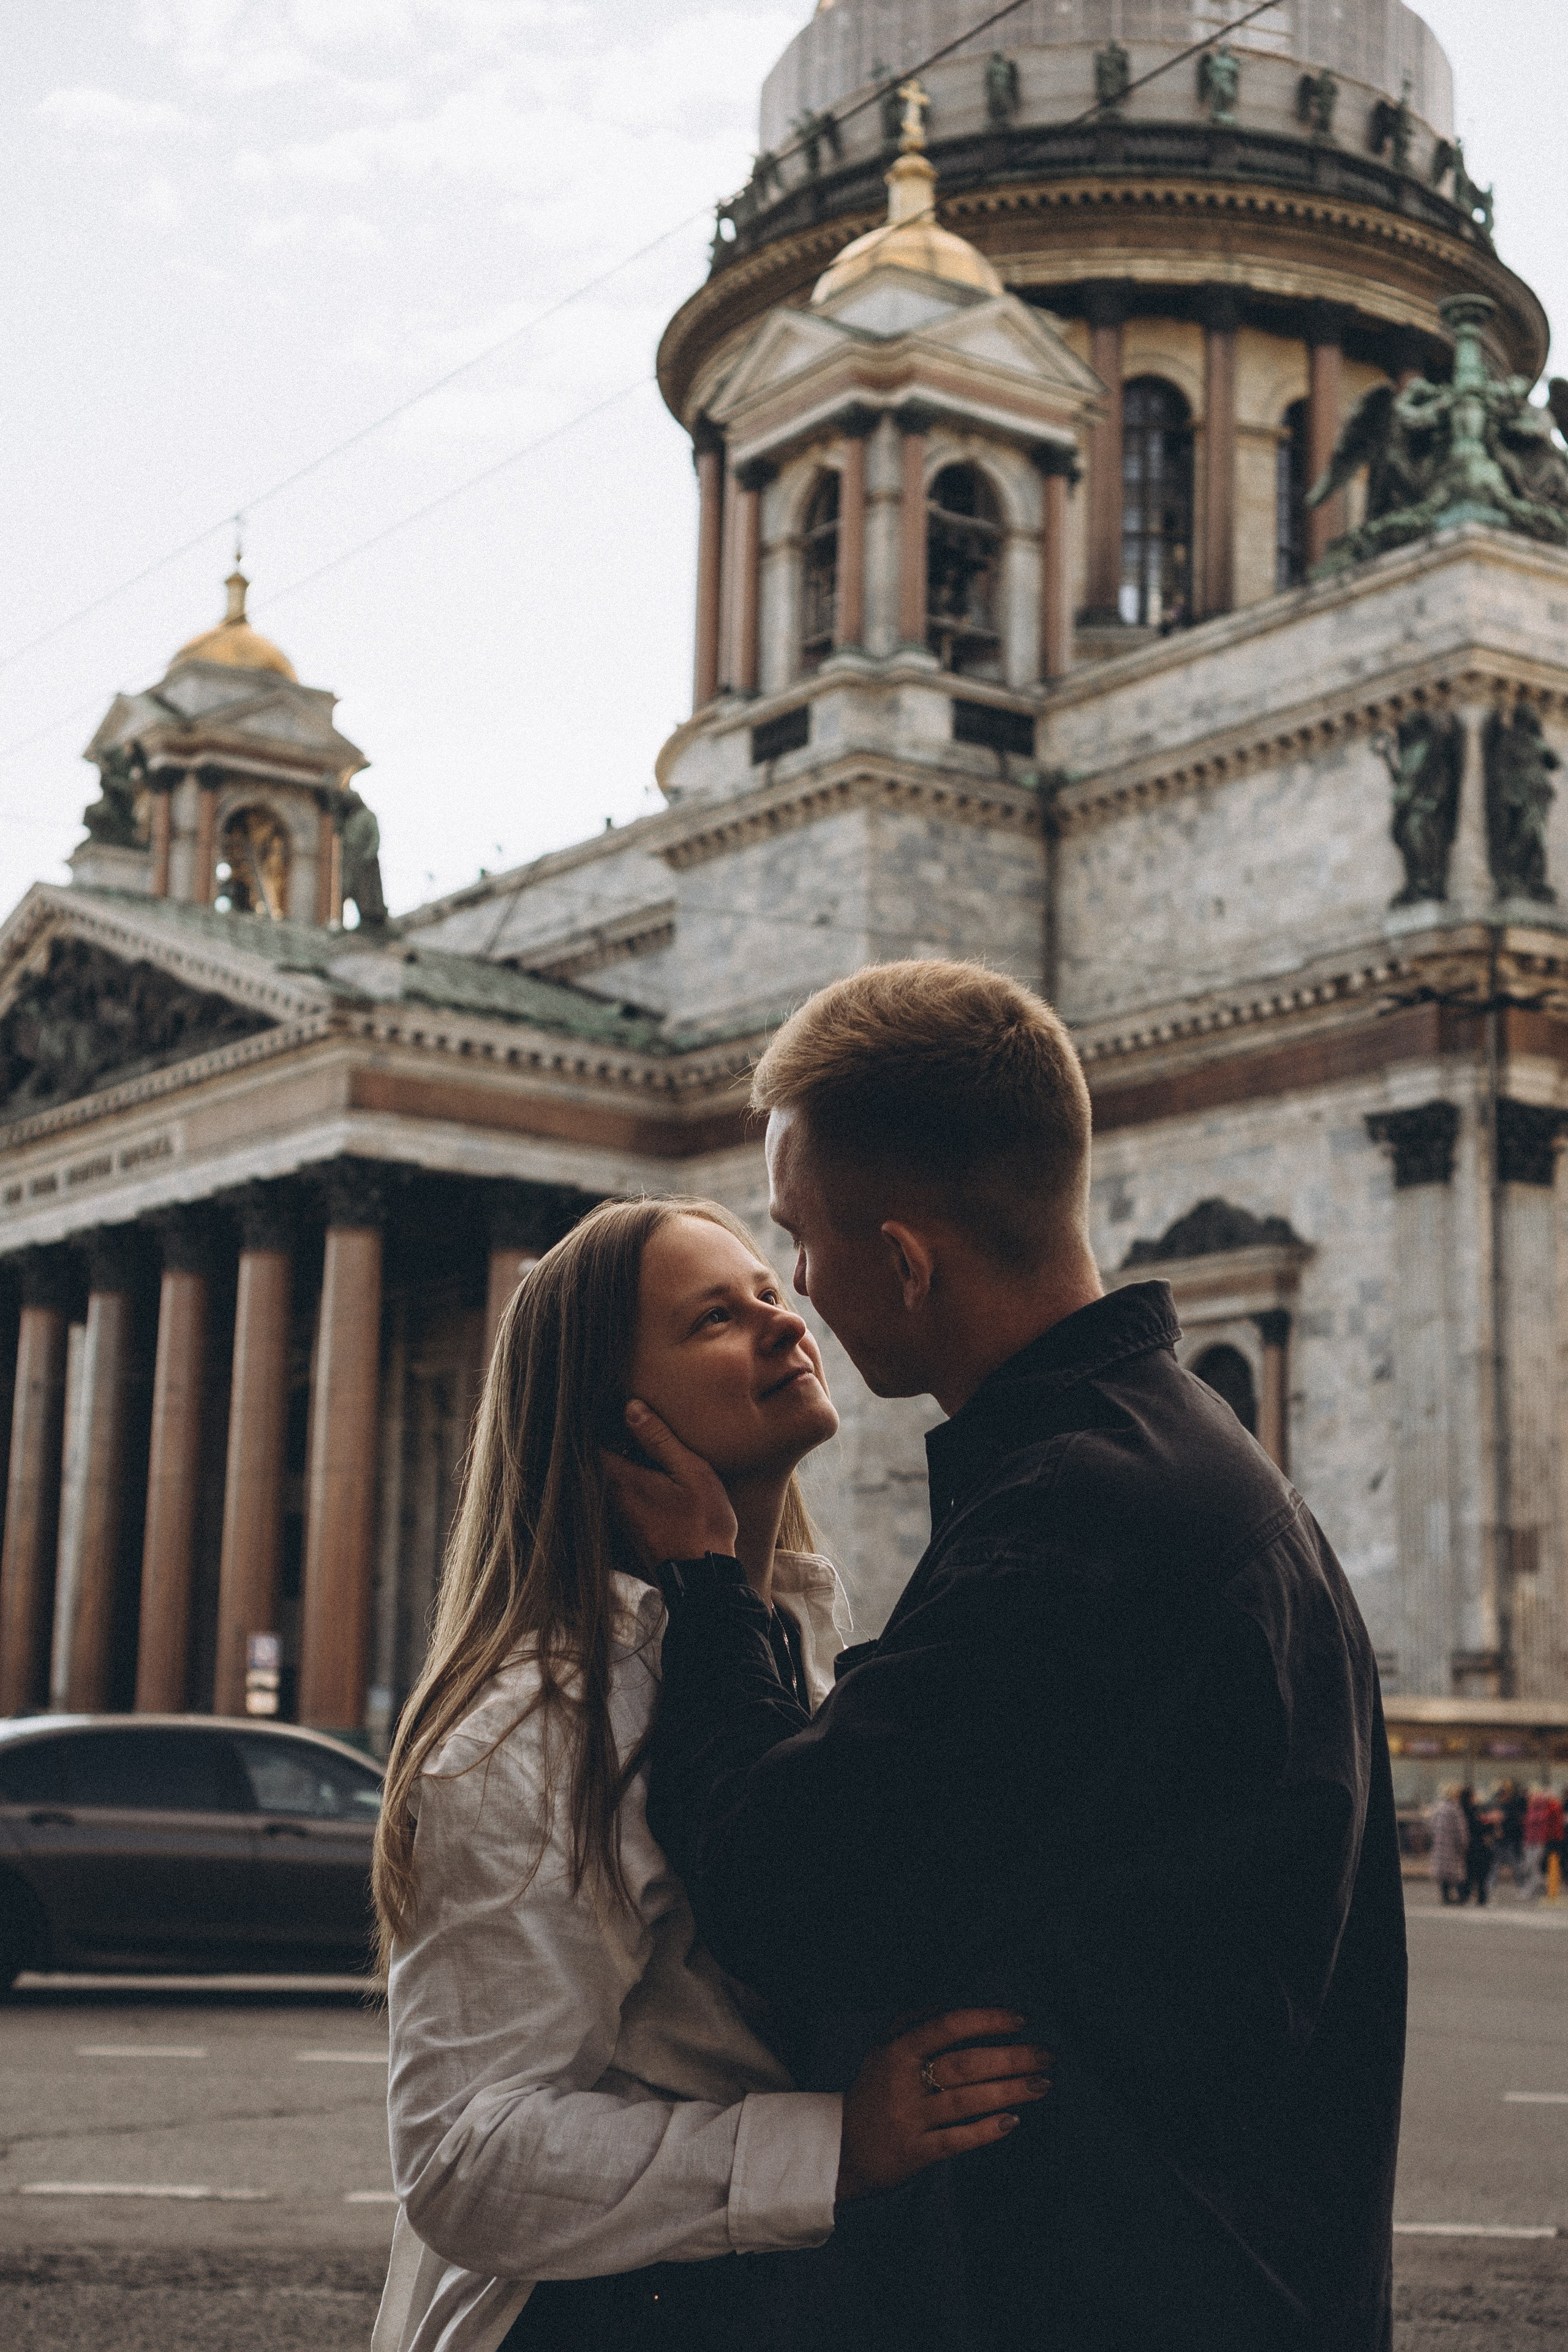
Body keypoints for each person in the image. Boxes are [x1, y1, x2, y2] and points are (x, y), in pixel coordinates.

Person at [607, 960, 1409, 2352]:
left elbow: (783, 1886)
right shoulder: (1170, 1468)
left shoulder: (1075, 1526)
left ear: (905, 1259)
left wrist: (704, 1581)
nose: (795, 1288)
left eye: (796, 1237)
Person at [371, 1195, 1050, 2352]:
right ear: (616, 1425)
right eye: (714, 1321)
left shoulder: (785, 1645)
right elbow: (462, 2158)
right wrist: (835, 2145)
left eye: (772, 1295)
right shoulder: (534, 1722)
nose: (786, 1324)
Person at [1428, 1784, 1468, 1904]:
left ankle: (1445, 1897)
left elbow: (1431, 1826)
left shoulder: (1438, 1808)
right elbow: (1461, 1830)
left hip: (1440, 1845)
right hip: (1452, 1847)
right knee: (1456, 1873)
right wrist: (1464, 1844)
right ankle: (1461, 1897)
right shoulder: (1455, 1809)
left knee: (1443, 1873)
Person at [1460, 1785, 1491, 1906]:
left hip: (1469, 1846)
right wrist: (1487, 1823)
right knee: (1479, 1873)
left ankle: (1466, 1895)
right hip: (1476, 1845)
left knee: (1469, 1873)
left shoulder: (1461, 1809)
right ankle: (1481, 1897)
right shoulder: (1472, 1810)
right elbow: (1478, 1827)